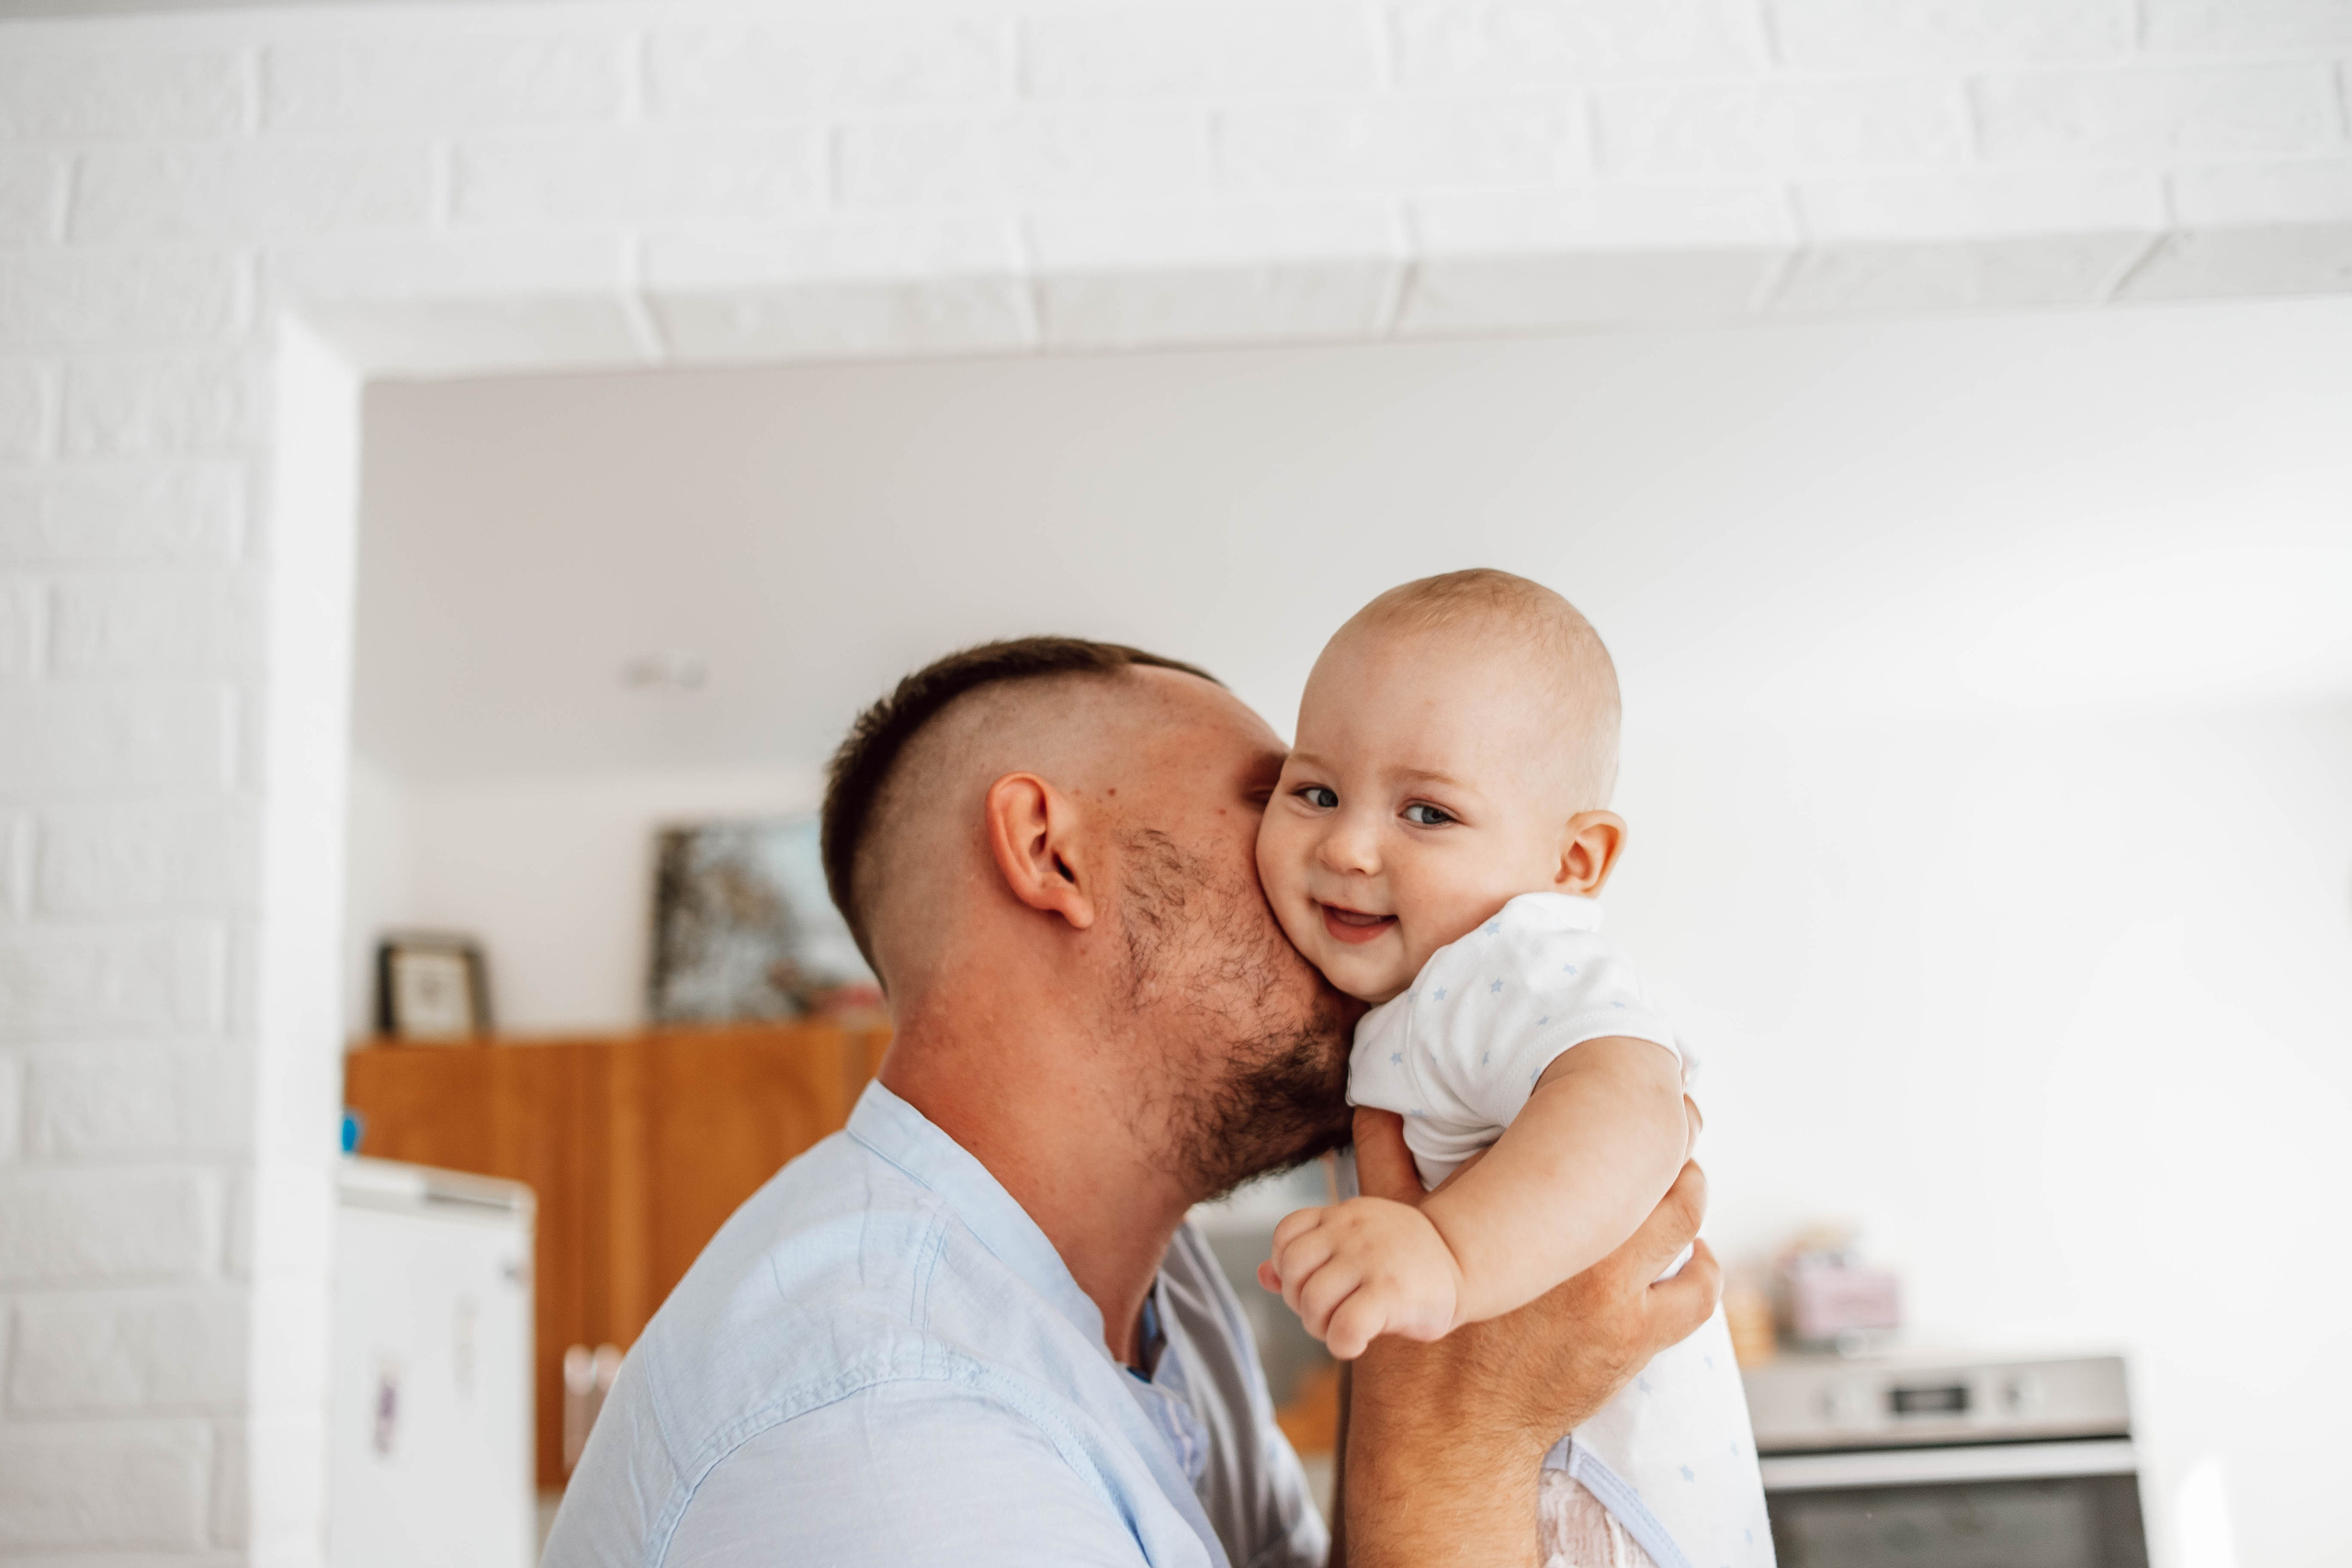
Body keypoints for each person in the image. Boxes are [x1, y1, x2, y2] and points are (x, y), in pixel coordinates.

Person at [540, 636, 1720, 1568]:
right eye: (1286, 796)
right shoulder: (884, 1428)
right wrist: (1458, 1450)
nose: (1339, 867)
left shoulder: (1173, 1298)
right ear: (1050, 851)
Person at [1254, 571, 1770, 1568]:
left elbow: (1634, 1110)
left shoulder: (1518, 958)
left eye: (1428, 814)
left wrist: (1448, 1258)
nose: (1349, 845)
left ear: (1573, 862)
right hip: (1549, 1472)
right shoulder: (1424, 986)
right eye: (1313, 792)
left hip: (1608, 1481)